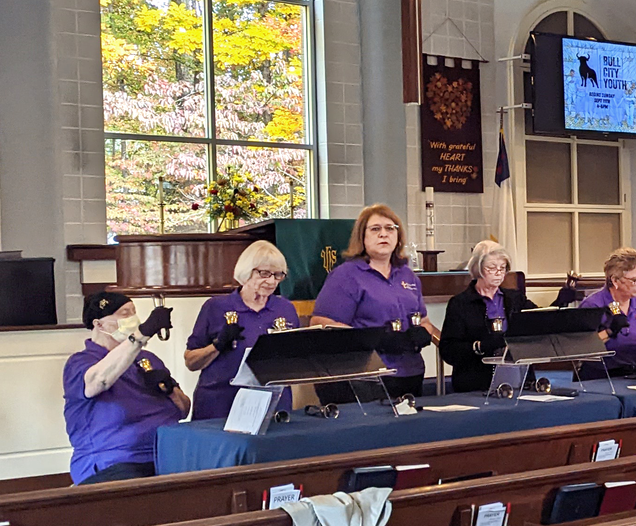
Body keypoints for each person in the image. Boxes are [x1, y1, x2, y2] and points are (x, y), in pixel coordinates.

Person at [310, 204, 437, 400]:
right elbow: (321, 323)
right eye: (375, 229)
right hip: (367, 376)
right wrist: (374, 339)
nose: (383, 234)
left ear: (398, 236)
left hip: (409, 372)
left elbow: (424, 320)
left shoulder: (408, 275)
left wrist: (422, 332)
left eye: (390, 228)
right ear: (362, 236)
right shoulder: (346, 276)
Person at [63, 291, 189, 484]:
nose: (132, 318)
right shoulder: (81, 363)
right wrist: (143, 333)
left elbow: (183, 410)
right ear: (99, 324)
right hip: (115, 462)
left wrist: (169, 389)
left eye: (133, 311)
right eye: (124, 313)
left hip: (168, 455)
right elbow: (99, 380)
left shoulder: (148, 359)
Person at [183, 240, 302, 421]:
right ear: (247, 271)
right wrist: (218, 345)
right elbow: (191, 362)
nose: (271, 281)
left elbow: (296, 359)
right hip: (221, 404)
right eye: (264, 273)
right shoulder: (216, 307)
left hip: (272, 403)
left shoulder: (284, 308)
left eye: (278, 275)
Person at [441, 240, 535, 393]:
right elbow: (449, 350)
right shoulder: (460, 304)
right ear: (478, 269)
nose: (499, 273)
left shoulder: (515, 299)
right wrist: (480, 346)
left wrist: (560, 302)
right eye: (491, 268)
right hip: (475, 384)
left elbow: (539, 320)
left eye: (503, 268)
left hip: (518, 381)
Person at [580, 246, 636, 375]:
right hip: (601, 377)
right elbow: (581, 349)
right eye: (634, 280)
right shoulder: (593, 305)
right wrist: (609, 332)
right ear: (615, 280)